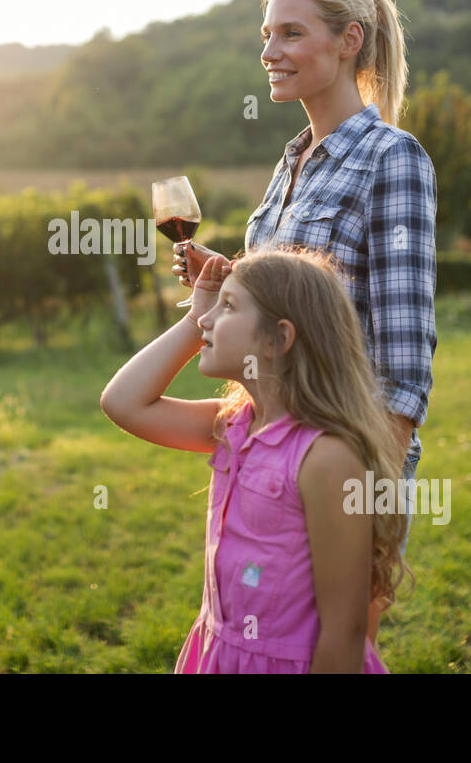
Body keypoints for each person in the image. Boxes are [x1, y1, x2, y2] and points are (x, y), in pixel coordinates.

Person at [175, 0, 436, 642]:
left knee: (335, 647)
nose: (269, 53)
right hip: (268, 451)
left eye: (291, 33)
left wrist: (369, 488)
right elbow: (286, 311)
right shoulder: (289, 163)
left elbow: (404, 367)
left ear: (350, 40)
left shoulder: (392, 158)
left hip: (341, 465)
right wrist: (227, 279)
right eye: (267, 35)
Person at [101, 248, 409, 672]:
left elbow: (345, 632)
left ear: (277, 339)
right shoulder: (233, 426)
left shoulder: (326, 457)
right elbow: (122, 402)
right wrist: (194, 322)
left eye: (227, 307)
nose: (207, 317)